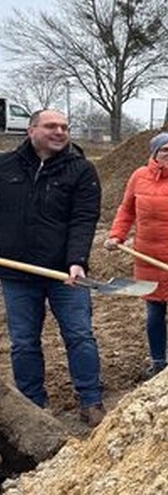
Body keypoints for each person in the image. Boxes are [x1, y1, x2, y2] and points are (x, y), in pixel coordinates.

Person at [0, 109, 105, 427]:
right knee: (23, 342)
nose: (60, 131)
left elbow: (83, 219)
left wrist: (77, 261)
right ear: (31, 130)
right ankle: (33, 407)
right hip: (17, 274)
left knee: (80, 335)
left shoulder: (81, 170)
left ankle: (91, 400)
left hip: (65, 275)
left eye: (64, 127)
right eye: (51, 126)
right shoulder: (5, 166)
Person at [105, 132, 168, 380]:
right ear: (154, 153)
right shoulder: (139, 176)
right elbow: (126, 210)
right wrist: (117, 235)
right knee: (154, 311)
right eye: (165, 149)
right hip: (147, 258)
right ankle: (158, 363)